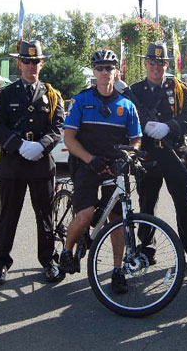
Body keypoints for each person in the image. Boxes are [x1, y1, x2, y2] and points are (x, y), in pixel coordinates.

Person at [58, 49, 142, 293]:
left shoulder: (127, 105)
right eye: (100, 68)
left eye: (109, 68)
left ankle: (117, 269)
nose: (105, 72)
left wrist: (130, 156)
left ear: (116, 72)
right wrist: (90, 159)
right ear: (94, 72)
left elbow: (136, 139)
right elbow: (69, 138)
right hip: (86, 165)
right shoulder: (81, 101)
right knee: (85, 216)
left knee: (117, 219)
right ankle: (67, 251)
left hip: (114, 167)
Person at [0, 41, 65, 286]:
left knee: (45, 216)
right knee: (8, 215)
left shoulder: (51, 95)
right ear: (19, 63)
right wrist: (18, 144)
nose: (32, 66)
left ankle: (49, 261)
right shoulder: (6, 94)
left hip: (41, 164)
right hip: (13, 164)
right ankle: (1, 264)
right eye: (27, 61)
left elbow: (58, 127)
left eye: (36, 61)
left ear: (42, 64)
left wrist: (41, 146)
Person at [125, 43, 187, 269]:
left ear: (166, 65)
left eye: (161, 62)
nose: (156, 66)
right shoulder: (134, 91)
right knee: (146, 205)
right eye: (152, 62)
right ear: (146, 63)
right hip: (147, 158)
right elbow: (127, 120)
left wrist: (168, 127)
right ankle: (146, 249)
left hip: (175, 156)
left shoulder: (179, 88)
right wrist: (143, 127)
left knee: (184, 205)